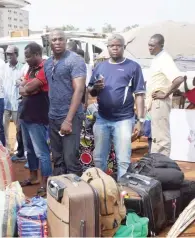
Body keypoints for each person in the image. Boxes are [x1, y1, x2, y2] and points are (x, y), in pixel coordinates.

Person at [88, 34, 146, 180]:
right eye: (111, 45)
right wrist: (95, 87)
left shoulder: (133, 67)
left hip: (124, 120)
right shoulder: (100, 66)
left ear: (123, 47)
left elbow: (139, 95)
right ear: (107, 47)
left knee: (123, 160)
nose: (115, 48)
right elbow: (91, 90)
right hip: (102, 118)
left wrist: (140, 120)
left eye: (118, 45)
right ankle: (101, 188)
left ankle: (123, 192)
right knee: (100, 158)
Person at [44, 29, 87, 176]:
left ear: (66, 41)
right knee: (57, 159)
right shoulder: (48, 63)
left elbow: (79, 90)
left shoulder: (75, 60)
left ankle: (78, 195)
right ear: (49, 42)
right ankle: (61, 195)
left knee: (70, 159)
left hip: (70, 117)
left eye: (60, 39)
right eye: (54, 39)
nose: (57, 42)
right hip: (53, 116)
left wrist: (68, 120)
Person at [19, 42, 52, 196]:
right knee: (29, 150)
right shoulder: (31, 69)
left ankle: (46, 182)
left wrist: (27, 87)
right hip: (26, 114)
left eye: (28, 56)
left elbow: (28, 88)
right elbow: (23, 88)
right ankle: (33, 177)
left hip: (38, 116)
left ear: (37, 54)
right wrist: (26, 87)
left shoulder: (45, 67)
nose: (26, 59)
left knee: (42, 152)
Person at [146, 34, 185, 156]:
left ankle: (162, 169)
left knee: (161, 139)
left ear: (161, 46)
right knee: (156, 138)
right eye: (149, 45)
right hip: (155, 104)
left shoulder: (164, 59)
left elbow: (178, 79)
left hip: (160, 102)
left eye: (153, 45)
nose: (149, 48)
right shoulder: (157, 59)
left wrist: (166, 94)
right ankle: (156, 167)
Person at [2, 45, 24, 151]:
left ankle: (18, 149)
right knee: (3, 128)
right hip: (5, 103)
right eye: (7, 54)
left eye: (11, 54)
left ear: (17, 54)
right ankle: (5, 149)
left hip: (17, 103)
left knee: (19, 129)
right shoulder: (3, 67)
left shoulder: (23, 68)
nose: (9, 56)